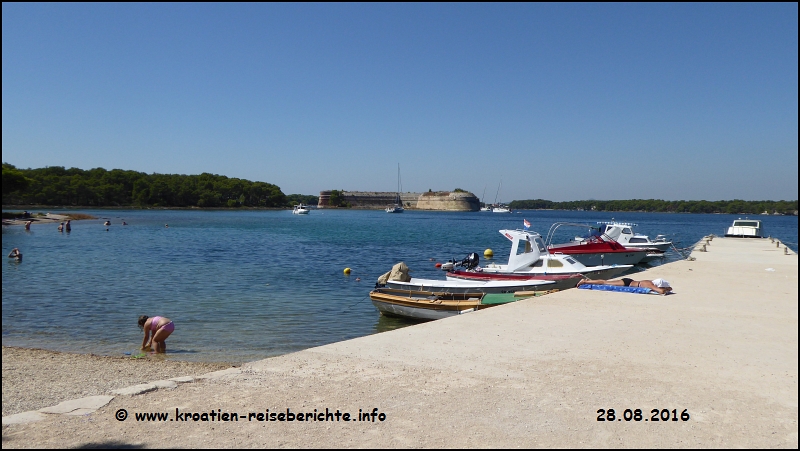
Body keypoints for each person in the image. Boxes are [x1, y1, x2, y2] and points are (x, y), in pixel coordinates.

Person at [577, 277, 673, 295]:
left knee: (605, 282)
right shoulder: (650, 284)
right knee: (605, 282)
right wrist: (665, 290)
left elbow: (669, 289)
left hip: (630, 282)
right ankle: (585, 282)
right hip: (627, 283)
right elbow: (660, 291)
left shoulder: (650, 282)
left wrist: (667, 288)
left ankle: (586, 281)